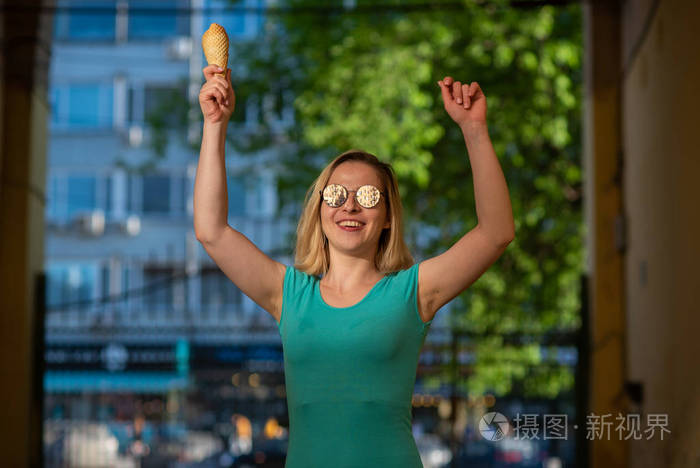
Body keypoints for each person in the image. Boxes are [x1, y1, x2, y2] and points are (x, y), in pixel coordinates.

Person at [195, 64, 515, 467]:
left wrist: (474, 130)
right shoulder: (289, 295)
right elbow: (211, 231)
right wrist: (215, 124)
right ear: (319, 209)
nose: (349, 204)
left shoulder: (412, 292)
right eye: (336, 194)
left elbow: (496, 232)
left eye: (367, 195)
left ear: (386, 218)